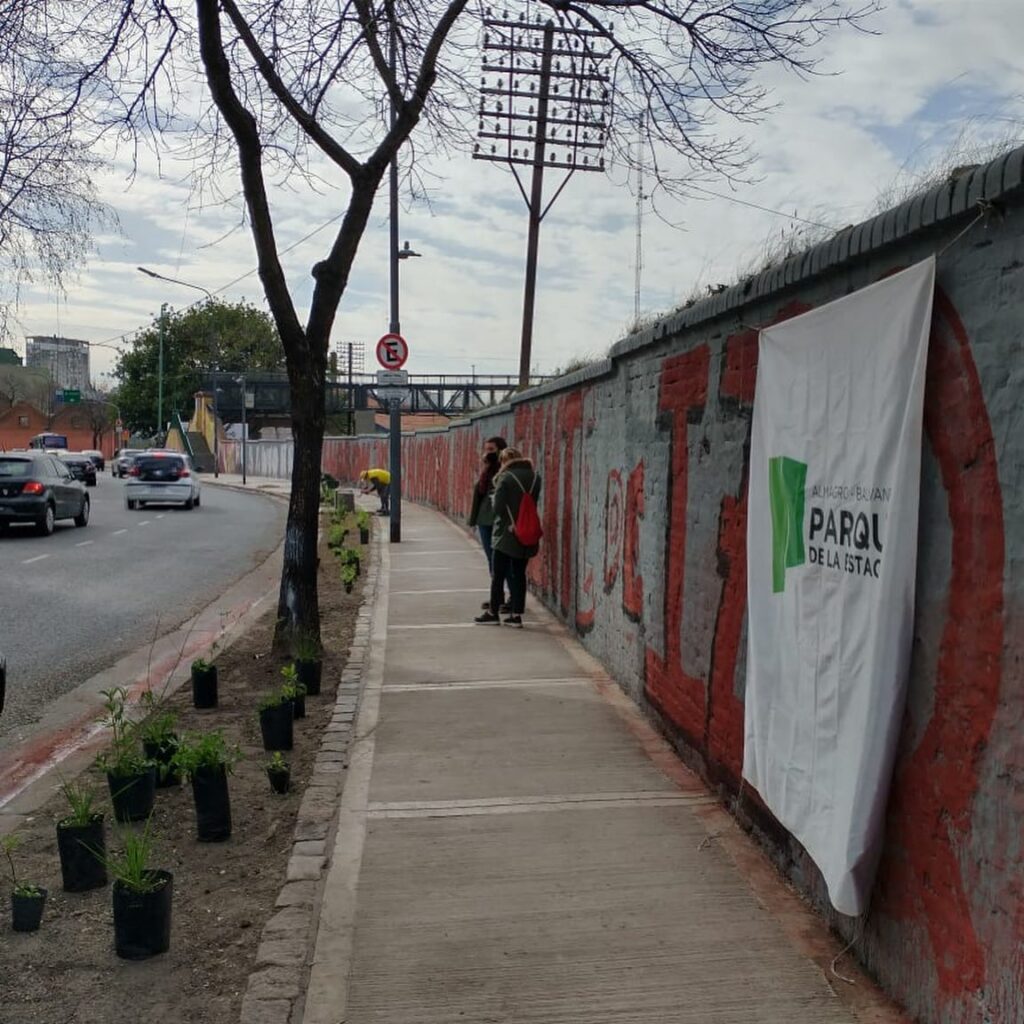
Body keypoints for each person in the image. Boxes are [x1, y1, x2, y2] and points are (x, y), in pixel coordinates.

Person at [474, 446, 541, 628]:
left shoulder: (505, 478)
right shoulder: (535, 477)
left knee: (498, 574)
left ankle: (493, 612)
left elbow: (498, 509)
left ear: (505, 461)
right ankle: (516, 615)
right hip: (526, 531)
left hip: (505, 534)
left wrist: (496, 499)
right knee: (519, 574)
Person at [468, 435, 509, 613]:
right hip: (485, 521)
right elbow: (479, 496)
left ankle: (509, 598)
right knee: (492, 562)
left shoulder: (505, 471)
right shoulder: (487, 470)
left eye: (492, 450)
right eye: (486, 450)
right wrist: (473, 520)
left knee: (503, 562)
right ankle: (497, 597)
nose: (488, 453)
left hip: (499, 522)